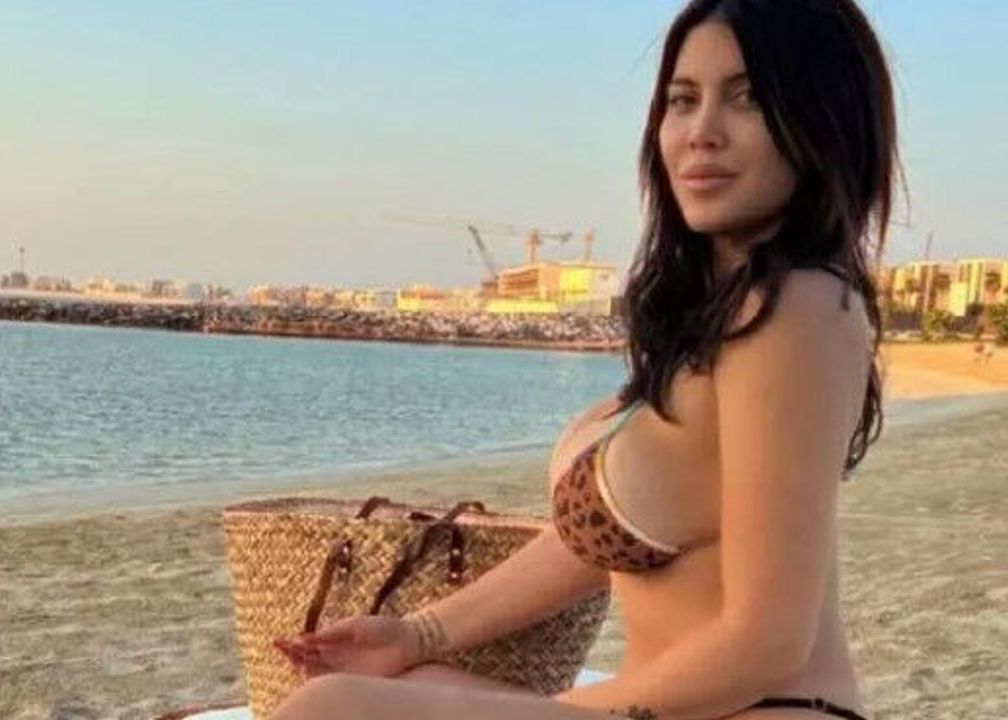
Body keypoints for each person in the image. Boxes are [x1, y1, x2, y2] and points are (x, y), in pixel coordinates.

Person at [272, 0, 895, 717]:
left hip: (769, 707)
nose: (701, 132)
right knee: (390, 688)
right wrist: (417, 635)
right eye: (681, 100)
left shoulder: (798, 308)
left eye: (747, 98)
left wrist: (574, 713)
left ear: (825, 119)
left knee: (334, 710)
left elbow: (767, 643)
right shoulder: (717, 316)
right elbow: (597, 540)